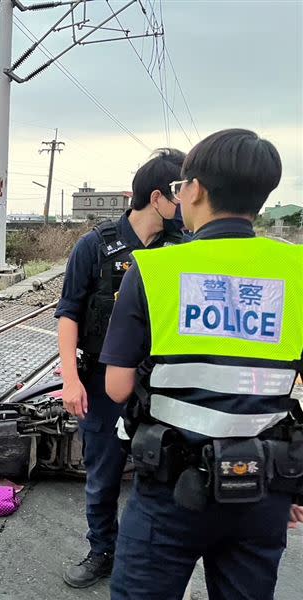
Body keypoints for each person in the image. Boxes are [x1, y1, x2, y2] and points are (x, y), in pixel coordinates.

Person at [101, 129, 303, 599]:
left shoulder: (154, 271)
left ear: (193, 189)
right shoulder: (295, 272)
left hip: (170, 487)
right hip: (260, 486)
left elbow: (115, 387)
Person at [56, 148, 187, 589]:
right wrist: (70, 381)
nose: (186, 206)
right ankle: (102, 551)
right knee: (103, 473)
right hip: (99, 381)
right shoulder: (95, 246)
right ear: (157, 197)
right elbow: (69, 313)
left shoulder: (182, 250)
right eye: (180, 194)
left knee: (166, 469)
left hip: (163, 384)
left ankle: (151, 555)